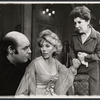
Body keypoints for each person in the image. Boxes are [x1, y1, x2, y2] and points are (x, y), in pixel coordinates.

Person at [15, 29, 81, 96]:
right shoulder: (34, 64)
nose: (43, 49)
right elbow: (23, 90)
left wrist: (75, 66)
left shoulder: (56, 63)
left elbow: (67, 74)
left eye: (47, 46)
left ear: (55, 48)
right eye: (41, 46)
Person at [69, 6, 100, 95]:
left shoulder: (98, 37)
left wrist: (86, 57)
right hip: (77, 69)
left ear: (88, 21)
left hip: (93, 72)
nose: (77, 26)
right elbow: (71, 50)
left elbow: (99, 55)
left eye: (79, 22)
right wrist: (73, 58)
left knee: (93, 94)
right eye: (75, 23)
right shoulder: (74, 35)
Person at [0, 31, 31, 95]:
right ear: (11, 50)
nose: (30, 51)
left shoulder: (28, 63)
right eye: (25, 48)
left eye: (29, 47)